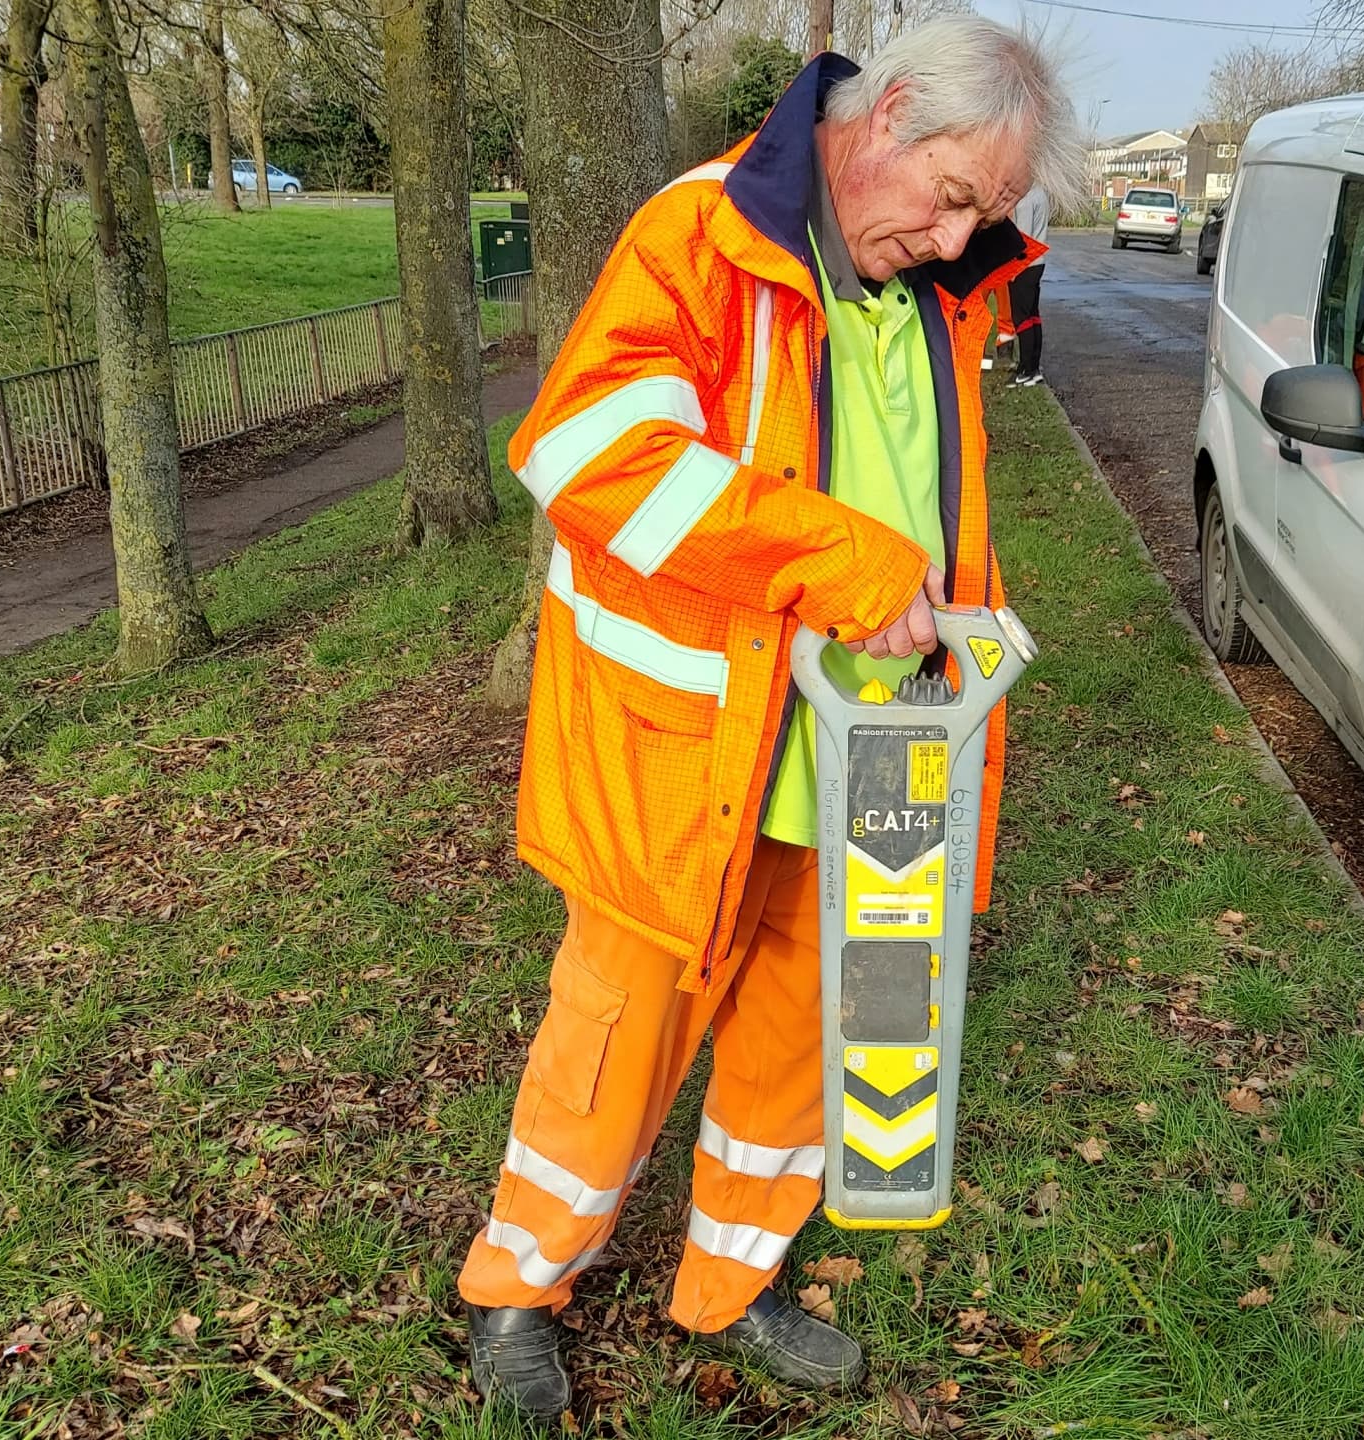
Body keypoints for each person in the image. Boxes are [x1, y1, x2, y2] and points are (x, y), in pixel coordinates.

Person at [453, 16, 1088, 1418]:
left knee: (810, 1030)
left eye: (987, 210)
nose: (958, 234)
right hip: (687, 752)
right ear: (890, 115)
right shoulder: (703, 236)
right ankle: (518, 1286)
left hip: (878, 741)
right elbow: (585, 450)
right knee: (618, 1032)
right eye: (958, 195)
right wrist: (841, 559)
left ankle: (729, 1285)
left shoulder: (938, 288)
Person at [1008, 182, 1050, 385]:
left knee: (1021, 318)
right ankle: (1034, 366)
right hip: (1038, 262)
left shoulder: (1025, 200)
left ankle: (1026, 369)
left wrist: (1013, 270)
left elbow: (1022, 238)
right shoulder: (1041, 193)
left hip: (1025, 264)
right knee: (1033, 316)